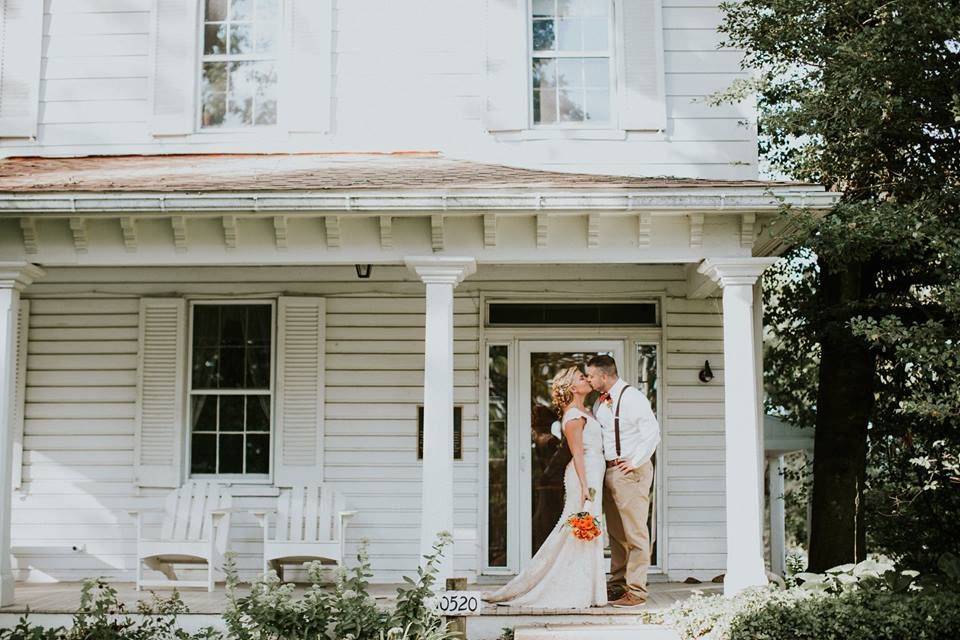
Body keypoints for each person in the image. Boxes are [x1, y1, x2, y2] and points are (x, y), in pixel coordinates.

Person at [483, 366, 607, 609]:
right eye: (582, 378)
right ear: (573, 387)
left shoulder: (586, 411)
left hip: (594, 472)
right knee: (577, 529)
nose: (586, 380)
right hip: (584, 476)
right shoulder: (572, 417)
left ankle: (590, 589)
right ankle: (568, 586)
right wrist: (584, 486)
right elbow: (577, 454)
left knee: (587, 529)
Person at [585, 354, 660, 608]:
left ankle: (637, 592)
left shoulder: (632, 398)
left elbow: (652, 433)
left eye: (592, 376)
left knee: (636, 533)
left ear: (604, 376)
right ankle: (618, 583)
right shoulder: (600, 401)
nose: (589, 380)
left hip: (629, 472)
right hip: (610, 472)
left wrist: (635, 461)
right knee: (616, 533)